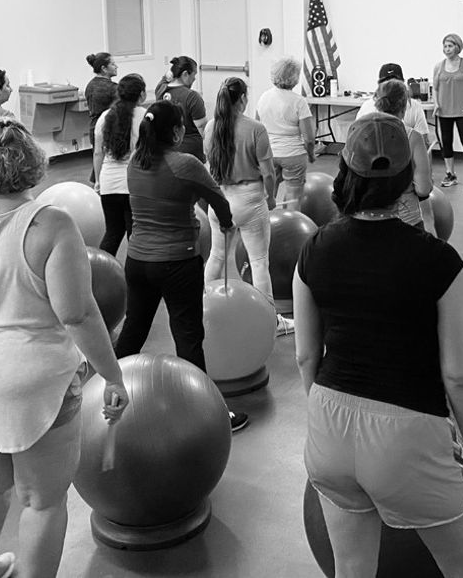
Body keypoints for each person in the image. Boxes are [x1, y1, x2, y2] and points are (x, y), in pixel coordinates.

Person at [0, 117, 129, 578]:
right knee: (42, 499)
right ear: (34, 163)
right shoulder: (53, 225)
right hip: (36, 379)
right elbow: (78, 314)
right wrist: (112, 375)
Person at [293, 113, 463, 578]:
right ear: (407, 175)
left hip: (328, 425)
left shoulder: (313, 249)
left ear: (346, 169)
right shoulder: (440, 261)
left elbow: (305, 354)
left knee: (352, 569)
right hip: (408, 438)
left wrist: (327, 415)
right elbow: (459, 375)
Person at [112, 101, 248, 432]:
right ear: (175, 132)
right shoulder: (185, 164)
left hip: (138, 261)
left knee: (134, 329)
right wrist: (228, 224)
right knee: (188, 337)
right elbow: (219, 201)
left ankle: (105, 393)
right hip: (176, 262)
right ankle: (209, 414)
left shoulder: (134, 163)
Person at [204, 78, 289, 335]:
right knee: (259, 262)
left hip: (220, 198)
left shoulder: (210, 127)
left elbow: (210, 162)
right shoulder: (256, 129)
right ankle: (270, 322)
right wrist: (271, 198)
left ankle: (203, 308)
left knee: (217, 256)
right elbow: (269, 173)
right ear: (242, 99)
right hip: (250, 199)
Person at [92, 74, 147, 257]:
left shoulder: (104, 117)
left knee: (113, 233)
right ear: (141, 95)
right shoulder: (145, 116)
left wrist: (98, 182)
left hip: (109, 184)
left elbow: (98, 152)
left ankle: (100, 274)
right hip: (135, 184)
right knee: (135, 235)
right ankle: (134, 279)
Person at [372, 79, 434, 232]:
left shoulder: (360, 132)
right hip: (405, 221)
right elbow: (423, 189)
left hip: (367, 218)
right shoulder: (413, 137)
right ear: (405, 105)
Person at [255, 56, 315, 210]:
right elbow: (309, 138)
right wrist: (311, 154)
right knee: (294, 198)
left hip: (269, 154)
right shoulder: (299, 101)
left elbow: (257, 128)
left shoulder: (263, 98)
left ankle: (268, 226)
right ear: (295, 77)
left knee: (268, 195)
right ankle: (292, 231)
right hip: (293, 154)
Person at [432, 33, 463, 190]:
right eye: (445, 46)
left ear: (458, 47)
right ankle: (450, 173)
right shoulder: (439, 66)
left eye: (450, 46)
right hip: (444, 111)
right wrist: (436, 103)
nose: (447, 49)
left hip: (462, 111)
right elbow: (436, 88)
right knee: (446, 143)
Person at [356, 62, 431, 143]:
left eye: (395, 84)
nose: (391, 88)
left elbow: (423, 141)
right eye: (387, 84)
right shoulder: (367, 107)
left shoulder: (414, 106)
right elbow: (358, 140)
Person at [155, 55, 207, 161]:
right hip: (191, 154)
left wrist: (172, 72)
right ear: (185, 74)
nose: (195, 78)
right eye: (194, 74)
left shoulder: (161, 90)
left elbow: (166, 78)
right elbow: (202, 128)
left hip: (167, 151)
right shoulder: (192, 96)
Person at [84, 52, 119, 138]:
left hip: (94, 129)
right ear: (104, 68)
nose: (116, 66)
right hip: (109, 130)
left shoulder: (90, 85)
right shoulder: (113, 88)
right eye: (113, 64)